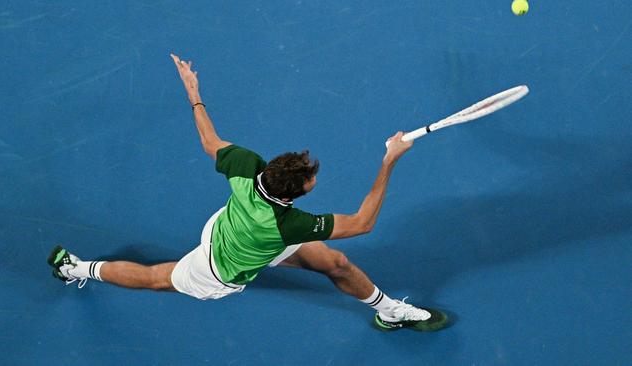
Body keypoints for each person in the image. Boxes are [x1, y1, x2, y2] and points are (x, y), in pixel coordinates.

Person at [47, 53, 448, 331]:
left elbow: (209, 141)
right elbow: (363, 223)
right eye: (311, 181)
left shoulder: (246, 165)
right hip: (219, 267)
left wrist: (193, 91)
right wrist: (389, 161)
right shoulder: (291, 225)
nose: (314, 180)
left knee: (336, 264)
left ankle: (389, 311)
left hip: (235, 225)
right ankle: (76, 268)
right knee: (156, 277)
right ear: (293, 195)